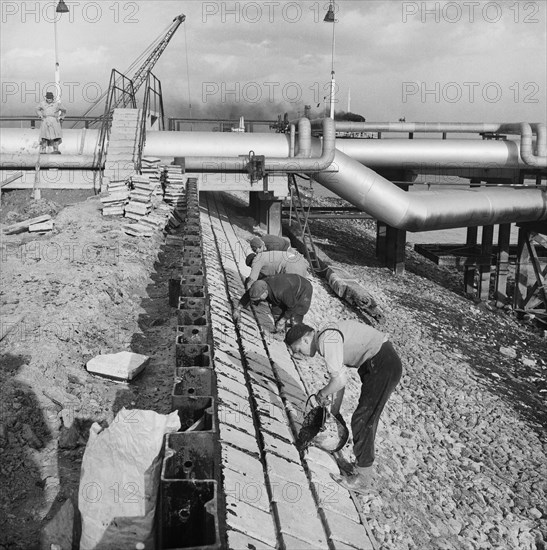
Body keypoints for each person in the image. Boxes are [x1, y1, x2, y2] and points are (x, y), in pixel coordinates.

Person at [284, 320, 402, 495]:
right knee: (363, 417)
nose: (300, 354)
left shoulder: (326, 341)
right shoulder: (327, 337)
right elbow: (340, 380)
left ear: (306, 339)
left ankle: (363, 478)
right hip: (378, 363)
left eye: (298, 350)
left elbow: (339, 381)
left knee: (364, 419)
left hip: (383, 364)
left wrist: (321, 394)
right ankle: (360, 467)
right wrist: (335, 412)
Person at [233, 274, 313, 331]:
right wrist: (238, 309)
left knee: (296, 316)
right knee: (276, 311)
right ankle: (279, 331)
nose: (256, 301)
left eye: (258, 299)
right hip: (287, 287)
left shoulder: (281, 292)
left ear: (265, 293)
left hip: (303, 288)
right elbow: (248, 294)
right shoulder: (260, 284)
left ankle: (296, 336)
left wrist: (282, 321)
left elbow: (292, 306)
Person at [245, 249, 309, 286]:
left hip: (290, 266)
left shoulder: (257, 260)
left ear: (251, 263)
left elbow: (252, 279)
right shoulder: (265, 254)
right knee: (298, 289)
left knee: (285, 292)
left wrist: (248, 291)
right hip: (301, 262)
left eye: (251, 267)